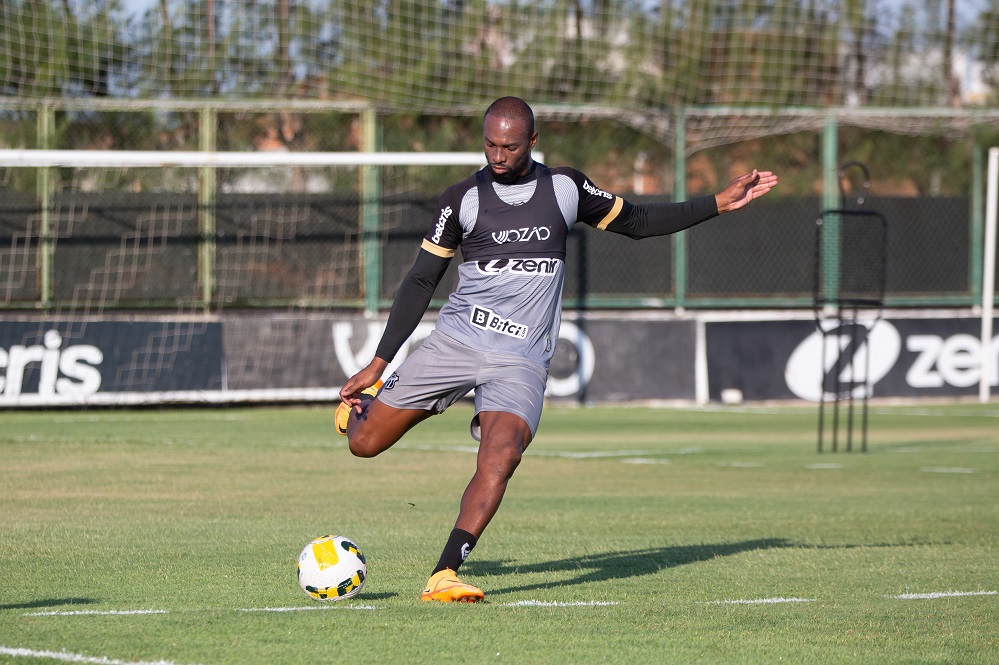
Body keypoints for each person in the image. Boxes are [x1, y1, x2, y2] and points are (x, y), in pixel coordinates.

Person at [337, 96, 778, 602]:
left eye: (509, 146)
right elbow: (421, 280)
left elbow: (635, 221)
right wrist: (378, 362)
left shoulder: (565, 188)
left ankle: (444, 573)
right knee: (363, 444)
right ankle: (364, 410)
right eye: (489, 145)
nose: (497, 156)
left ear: (532, 142)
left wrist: (717, 203)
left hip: (521, 358)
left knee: (501, 456)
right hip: (456, 342)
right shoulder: (462, 199)